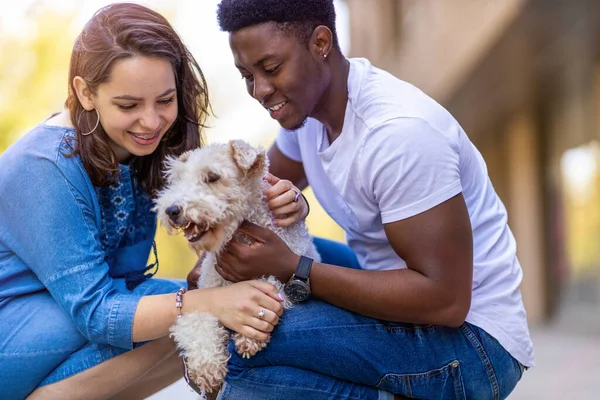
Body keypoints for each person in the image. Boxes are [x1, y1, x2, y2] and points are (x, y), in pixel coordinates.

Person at [209, 0, 536, 399]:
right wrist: (214, 260)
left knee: (238, 343)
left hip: (474, 346)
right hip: (397, 297)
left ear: (321, 42)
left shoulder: (398, 134)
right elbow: (251, 197)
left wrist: (295, 268)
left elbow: (445, 300)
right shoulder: (304, 114)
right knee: (239, 288)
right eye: (247, 75)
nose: (260, 90)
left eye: (271, 69)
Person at [0, 4, 293, 399]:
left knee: (213, 309)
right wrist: (209, 302)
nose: (152, 121)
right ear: (85, 93)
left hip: (73, 321)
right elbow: (98, 314)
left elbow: (226, 204)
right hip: (15, 335)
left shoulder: (145, 149)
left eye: (165, 100)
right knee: (192, 309)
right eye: (128, 105)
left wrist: (282, 201)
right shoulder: (44, 167)